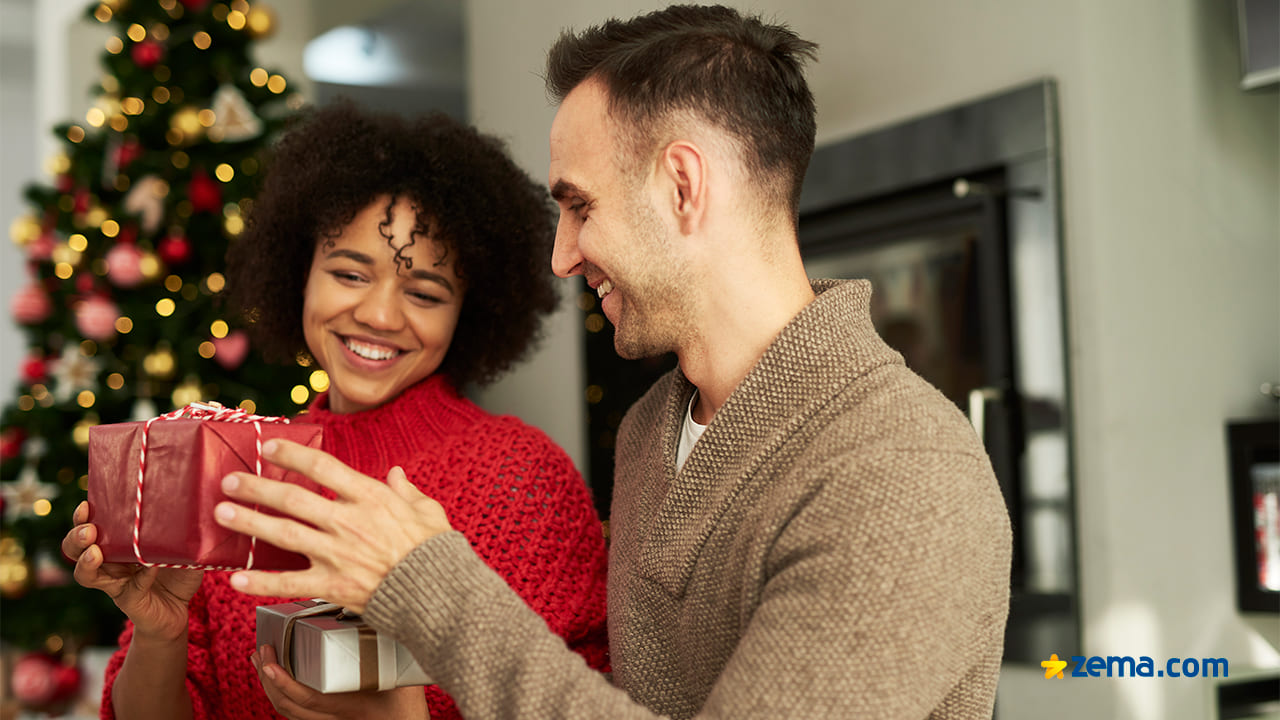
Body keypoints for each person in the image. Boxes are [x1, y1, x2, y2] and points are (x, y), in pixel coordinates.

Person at [210, 5, 1013, 718]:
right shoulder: (651, 433)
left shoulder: (900, 472)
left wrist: (429, 583)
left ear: (682, 186)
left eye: (580, 206)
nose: (561, 257)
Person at [61, 102, 610, 720]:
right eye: (350, 274)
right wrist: (161, 633)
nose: (379, 315)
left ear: (470, 311)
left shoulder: (522, 478)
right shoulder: (237, 467)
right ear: (299, 274)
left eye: (424, 292)